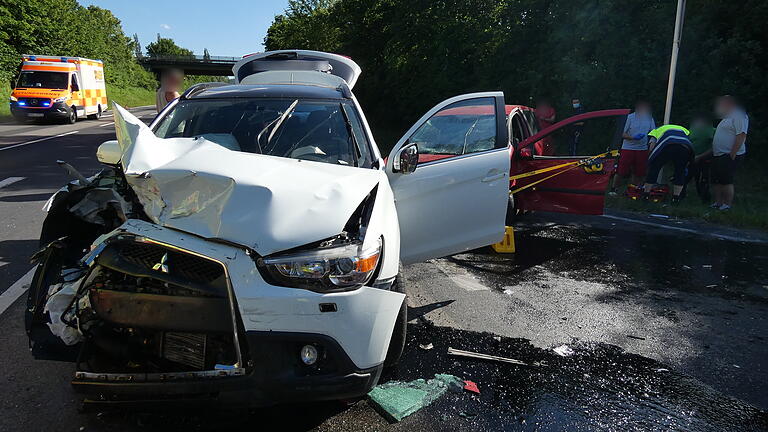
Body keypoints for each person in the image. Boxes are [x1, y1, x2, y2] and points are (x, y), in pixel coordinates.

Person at [710, 95, 748, 211]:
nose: (719, 106)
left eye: (721, 104)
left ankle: (727, 205)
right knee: (717, 180)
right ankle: (718, 202)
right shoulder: (726, 117)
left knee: (726, 180)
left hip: (729, 154)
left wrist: (733, 153)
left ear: (729, 104)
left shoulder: (739, 115)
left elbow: (741, 135)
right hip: (719, 154)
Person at [610, 100, 656, 195]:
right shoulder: (630, 118)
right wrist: (632, 137)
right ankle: (614, 189)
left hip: (642, 149)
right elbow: (621, 133)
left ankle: (633, 190)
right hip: (628, 148)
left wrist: (652, 142)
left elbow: (653, 132)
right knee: (621, 171)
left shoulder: (649, 118)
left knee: (639, 172)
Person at [643, 124, 694, 204]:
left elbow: (651, 147)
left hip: (667, 144)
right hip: (684, 147)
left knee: (655, 168)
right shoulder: (684, 130)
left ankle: (645, 194)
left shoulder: (655, 131)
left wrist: (649, 160)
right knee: (680, 172)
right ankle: (676, 198)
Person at [686, 115, 716, 202]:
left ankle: (705, 199)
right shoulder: (691, 130)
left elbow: (714, 146)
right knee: (686, 177)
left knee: (703, 179)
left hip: (706, 159)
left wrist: (700, 156)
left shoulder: (712, 130)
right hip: (691, 158)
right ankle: (680, 195)